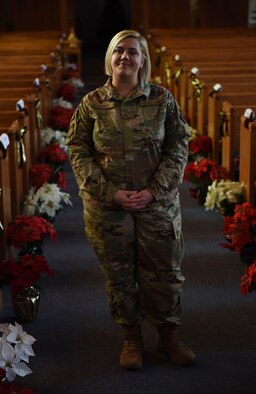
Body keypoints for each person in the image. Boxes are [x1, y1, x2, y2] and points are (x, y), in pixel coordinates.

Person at [66, 29, 196, 370]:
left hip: (157, 203)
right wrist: (111, 193)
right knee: (119, 275)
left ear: (143, 61)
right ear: (110, 59)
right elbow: (78, 151)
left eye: (133, 52)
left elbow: (179, 147)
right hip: (108, 208)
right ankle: (131, 338)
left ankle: (169, 335)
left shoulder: (162, 100)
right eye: (119, 51)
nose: (125, 57)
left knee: (165, 272)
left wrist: (154, 190)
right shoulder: (91, 104)